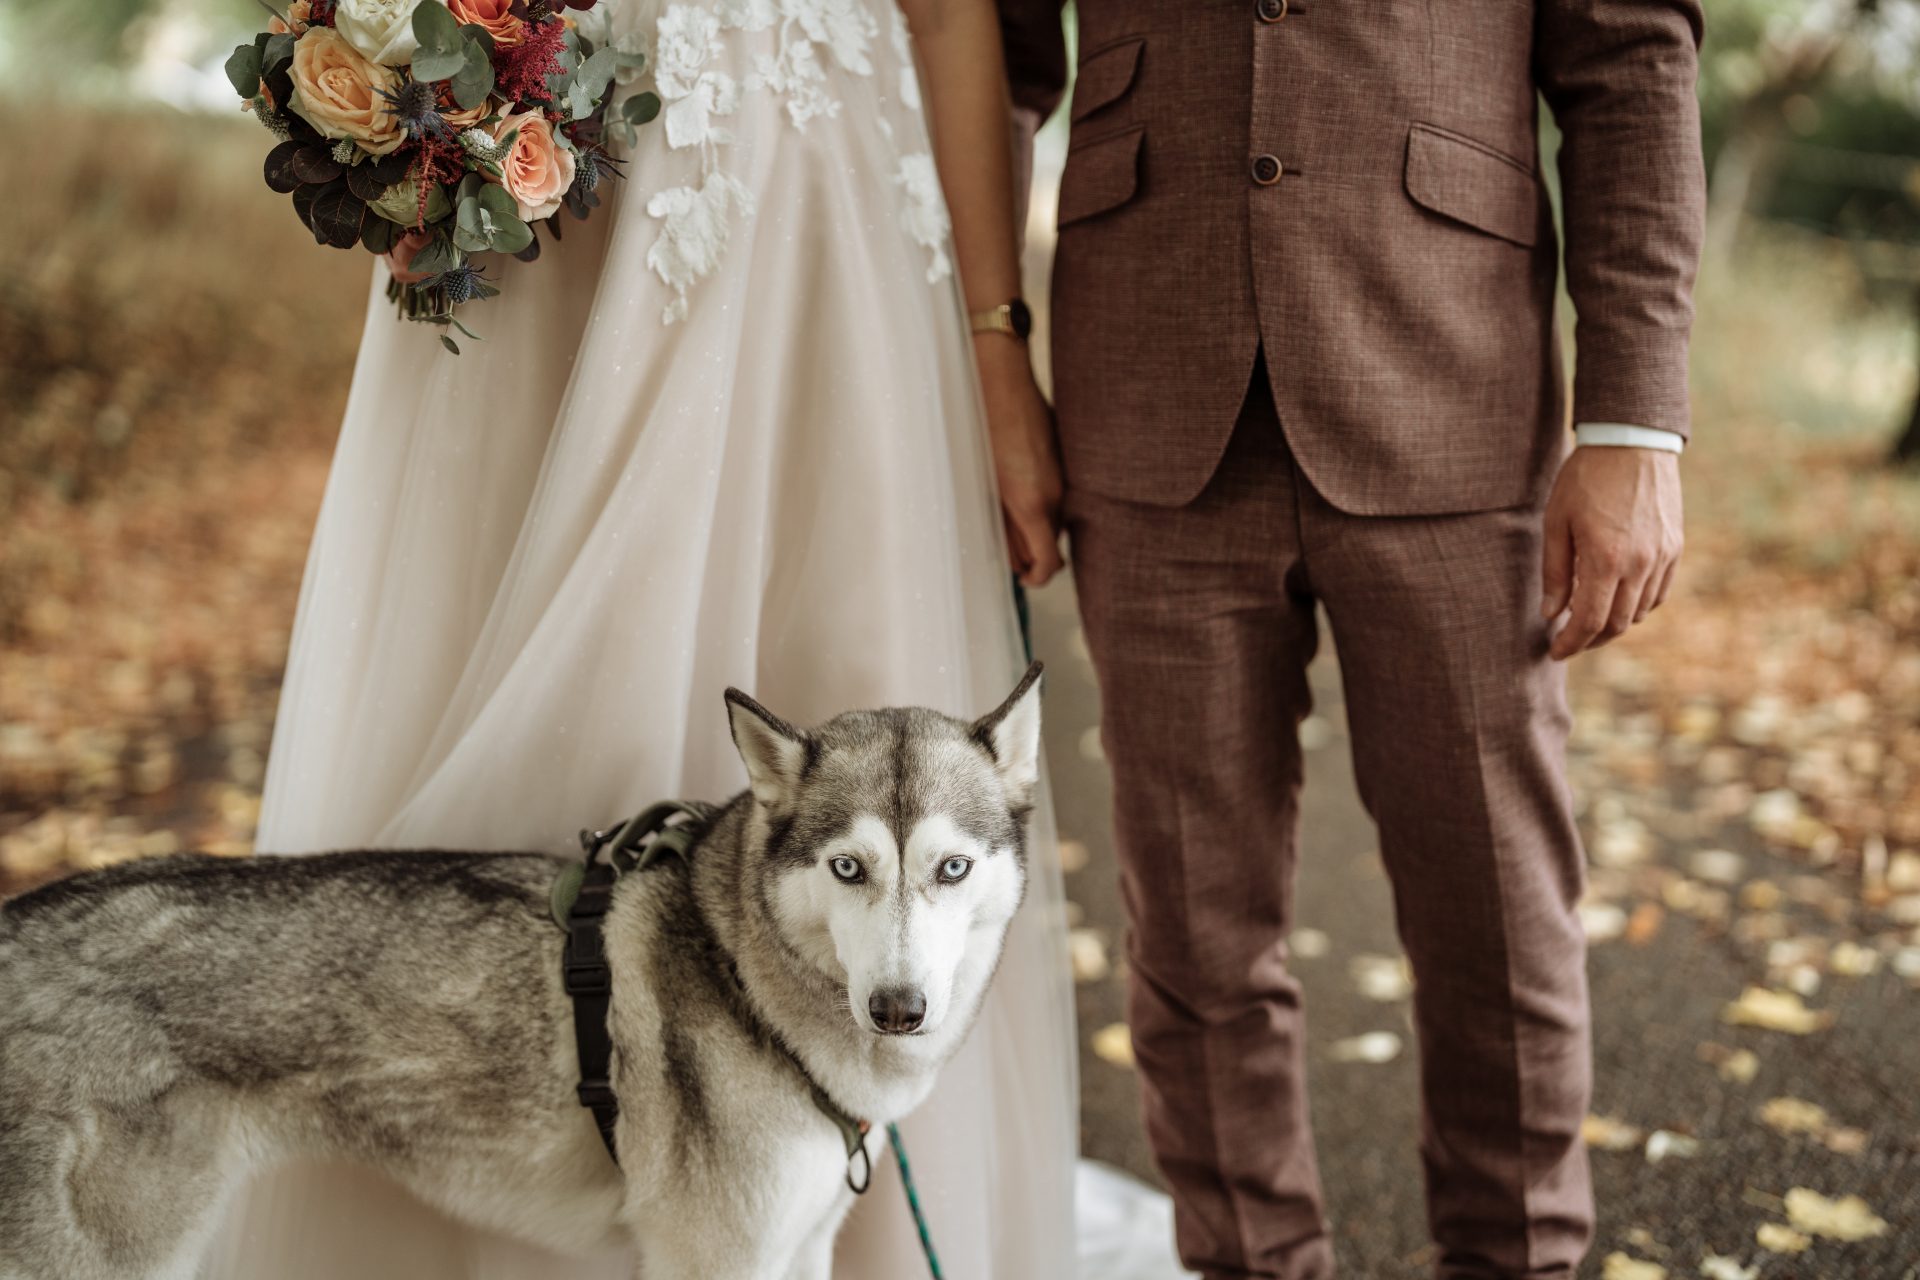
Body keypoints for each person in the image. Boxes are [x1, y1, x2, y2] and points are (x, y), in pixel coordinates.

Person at [199, 0, 1086, 1275]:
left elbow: (950, 12)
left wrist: (1000, 352)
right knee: (517, 678)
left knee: (842, 665)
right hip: (551, 223)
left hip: (828, 203)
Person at [996, 1, 1705, 1276]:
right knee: (1195, 935)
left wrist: (1635, 418)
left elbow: (1631, 52)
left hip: (1452, 372)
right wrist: (988, 351)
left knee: (1497, 914)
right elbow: (987, 54)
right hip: (1145, 371)